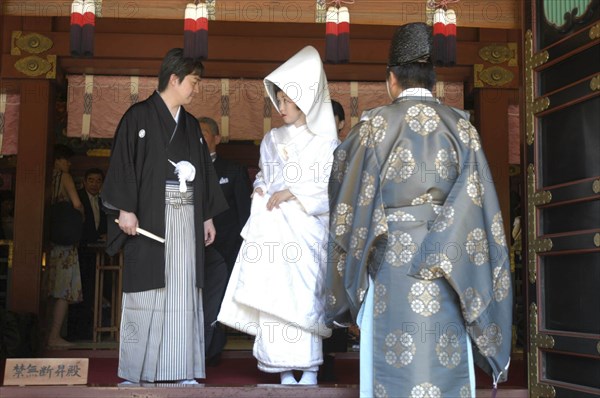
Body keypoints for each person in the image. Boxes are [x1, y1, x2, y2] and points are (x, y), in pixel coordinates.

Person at [325, 23, 513, 397]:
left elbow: (346, 194)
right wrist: (446, 242)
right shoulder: (463, 128)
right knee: (447, 350)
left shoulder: (374, 126)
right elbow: (481, 206)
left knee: (389, 355)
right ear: (433, 80)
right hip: (452, 260)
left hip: (390, 258)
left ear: (391, 79)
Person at [101, 47, 227, 384]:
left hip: (186, 216)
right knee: (146, 291)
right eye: (194, 82)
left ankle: (182, 369)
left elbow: (202, 172)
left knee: (183, 289)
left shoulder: (188, 124)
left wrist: (207, 217)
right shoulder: (138, 117)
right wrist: (125, 209)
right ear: (175, 79)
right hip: (149, 218)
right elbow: (123, 163)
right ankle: (134, 371)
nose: (196, 89)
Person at [218, 45, 339, 385]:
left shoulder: (325, 143)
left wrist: (294, 192)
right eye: (280, 100)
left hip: (306, 229)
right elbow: (264, 176)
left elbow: (330, 187)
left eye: (287, 100)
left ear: (305, 102)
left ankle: (310, 367)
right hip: (275, 229)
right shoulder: (271, 139)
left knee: (303, 297)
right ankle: (282, 368)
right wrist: (260, 188)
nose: (281, 107)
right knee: (275, 297)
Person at [198, 116, 252, 275]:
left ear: (217, 138)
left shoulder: (233, 170)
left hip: (226, 247)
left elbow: (244, 212)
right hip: (190, 246)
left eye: (203, 133)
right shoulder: (181, 170)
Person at [46, 144, 84, 348]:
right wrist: (82, 216)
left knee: (51, 287)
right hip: (66, 241)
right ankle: (54, 335)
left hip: (50, 238)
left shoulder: (46, 178)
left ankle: (47, 333)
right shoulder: (64, 178)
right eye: (66, 159)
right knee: (63, 289)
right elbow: (77, 203)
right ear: (58, 159)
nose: (69, 163)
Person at [68, 168, 107, 340]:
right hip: (78, 251)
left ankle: (91, 331)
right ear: (84, 182)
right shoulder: (77, 199)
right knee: (78, 292)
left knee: (94, 291)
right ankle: (75, 333)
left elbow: (104, 224)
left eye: (98, 180)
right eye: (91, 180)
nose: (94, 184)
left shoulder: (103, 201)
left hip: (97, 252)